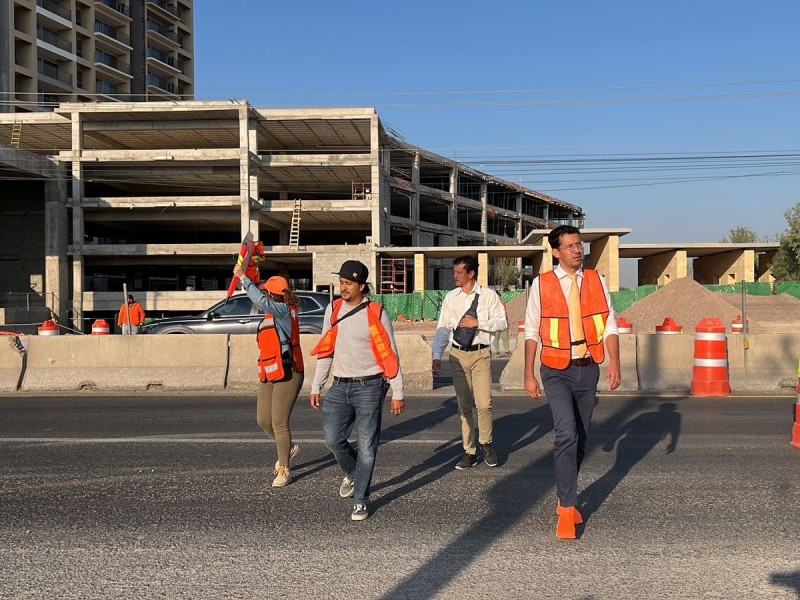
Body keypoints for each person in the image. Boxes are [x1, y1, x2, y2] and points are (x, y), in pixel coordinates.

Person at [523, 225, 621, 539]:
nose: (577, 250)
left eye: (579, 245)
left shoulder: (596, 280)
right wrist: (529, 373)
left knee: (580, 438)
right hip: (555, 370)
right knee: (565, 432)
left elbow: (609, 324)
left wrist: (615, 361)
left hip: (588, 366)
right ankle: (567, 508)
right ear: (555, 252)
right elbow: (531, 331)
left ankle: (565, 493)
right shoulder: (542, 284)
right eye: (569, 246)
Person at [310, 260, 405, 521]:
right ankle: (353, 474)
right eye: (341, 282)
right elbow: (325, 349)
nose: (343, 287)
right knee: (332, 438)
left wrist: (398, 392)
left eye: (348, 283)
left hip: (371, 386)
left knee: (367, 445)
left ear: (362, 286)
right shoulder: (333, 309)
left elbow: (390, 354)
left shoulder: (376, 312)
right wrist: (316, 385)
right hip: (339, 386)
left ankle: (361, 499)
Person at [432, 255, 507, 470]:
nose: (454, 276)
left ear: (471, 273)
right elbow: (443, 328)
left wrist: (478, 323)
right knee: (464, 406)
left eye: (458, 272)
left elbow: (502, 322)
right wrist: (437, 355)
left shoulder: (489, 296)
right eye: (454, 272)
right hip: (457, 356)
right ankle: (469, 451)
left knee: (484, 404)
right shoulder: (451, 298)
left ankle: (486, 444)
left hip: (481, 354)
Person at [233, 264, 305, 488]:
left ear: (274, 294)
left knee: (279, 423)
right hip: (268, 371)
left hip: (288, 371)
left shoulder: (282, 310)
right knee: (263, 420)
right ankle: (288, 448)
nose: (263, 293)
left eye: (266, 291)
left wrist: (244, 279)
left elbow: (261, 301)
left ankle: (284, 469)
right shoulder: (270, 313)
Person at [492, 290, 511, 357]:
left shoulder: (503, 303)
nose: (498, 297)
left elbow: (505, 314)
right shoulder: (492, 305)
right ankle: (497, 352)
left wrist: (507, 322)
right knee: (496, 338)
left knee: (505, 337)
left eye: (499, 296)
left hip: (504, 323)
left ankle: (507, 351)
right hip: (496, 323)